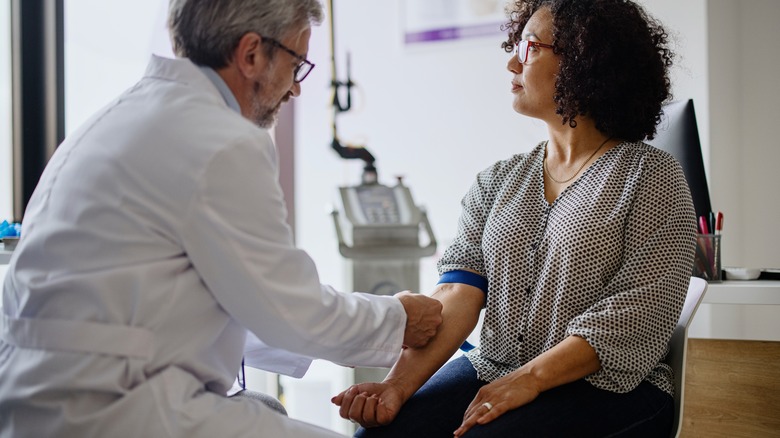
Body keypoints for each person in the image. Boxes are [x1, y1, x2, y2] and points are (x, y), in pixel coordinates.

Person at [0, 0, 443, 437]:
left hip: (38, 397)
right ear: (251, 54)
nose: (296, 88)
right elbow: (292, 309)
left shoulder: (121, 116)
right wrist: (399, 320)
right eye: (297, 64)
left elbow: (222, 305)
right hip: (113, 407)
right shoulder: (222, 141)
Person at [332, 0, 697, 436]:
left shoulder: (650, 175)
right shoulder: (497, 181)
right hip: (496, 366)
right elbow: (458, 293)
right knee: (378, 433)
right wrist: (396, 386)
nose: (510, 63)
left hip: (608, 386)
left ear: (584, 61)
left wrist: (529, 379)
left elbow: (636, 311)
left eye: (528, 48)